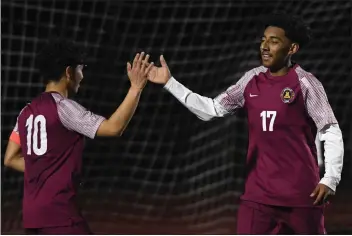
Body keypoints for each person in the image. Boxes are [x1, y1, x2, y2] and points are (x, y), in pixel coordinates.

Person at [147, 13, 344, 234]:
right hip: (258, 197)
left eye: (274, 41)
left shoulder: (306, 83)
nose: (265, 46)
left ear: (292, 49)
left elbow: (330, 129)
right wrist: (169, 83)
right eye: (263, 39)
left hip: (301, 196)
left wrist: (331, 178)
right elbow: (212, 109)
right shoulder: (251, 79)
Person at [4, 39, 153, 234]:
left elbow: (10, 158)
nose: (82, 76)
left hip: (32, 219)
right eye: (80, 69)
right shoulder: (64, 107)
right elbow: (114, 127)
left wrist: (44, 168)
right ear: (68, 72)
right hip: (61, 217)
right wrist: (136, 88)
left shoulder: (26, 112)